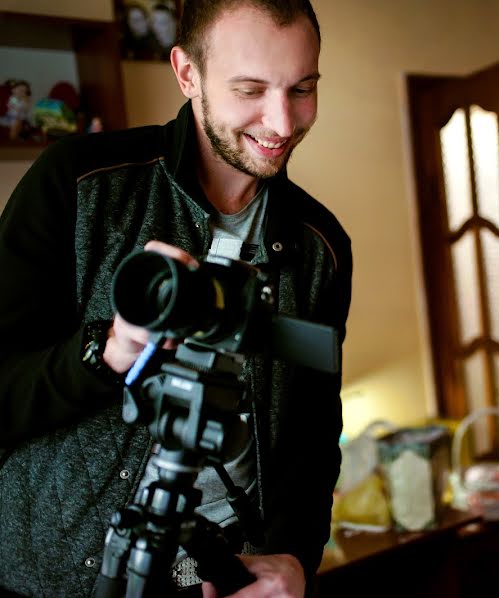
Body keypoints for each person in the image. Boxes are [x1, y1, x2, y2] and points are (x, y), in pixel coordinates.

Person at [0, 1, 351, 596]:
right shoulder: (80, 185)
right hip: (48, 577)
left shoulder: (321, 247)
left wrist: (296, 558)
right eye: (250, 89)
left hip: (216, 577)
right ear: (186, 73)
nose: (283, 122)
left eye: (303, 89)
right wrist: (106, 351)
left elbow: (312, 438)